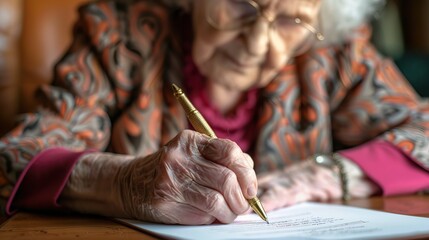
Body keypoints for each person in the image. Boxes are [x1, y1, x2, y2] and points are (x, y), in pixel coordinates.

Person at [1, 0, 428, 224]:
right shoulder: (121, 36)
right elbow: (15, 159)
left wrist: (319, 176)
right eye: (244, 6)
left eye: (290, 22)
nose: (259, 44)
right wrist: (126, 183)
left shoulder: (334, 54)